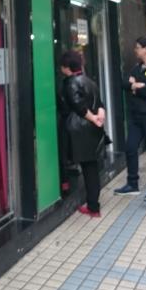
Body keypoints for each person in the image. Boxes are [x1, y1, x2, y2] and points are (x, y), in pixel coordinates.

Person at [114, 36, 146, 201]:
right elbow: (124, 83)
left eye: (137, 47)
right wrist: (135, 85)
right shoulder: (137, 68)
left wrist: (136, 85)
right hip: (136, 116)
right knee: (130, 148)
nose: (135, 50)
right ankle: (132, 184)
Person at [60, 50, 105, 218]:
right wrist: (100, 117)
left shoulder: (70, 83)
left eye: (62, 66)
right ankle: (93, 204)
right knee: (91, 168)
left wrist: (93, 118)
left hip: (80, 130)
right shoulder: (89, 81)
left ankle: (93, 207)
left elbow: (78, 105)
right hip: (93, 129)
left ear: (66, 67)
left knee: (87, 168)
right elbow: (99, 102)